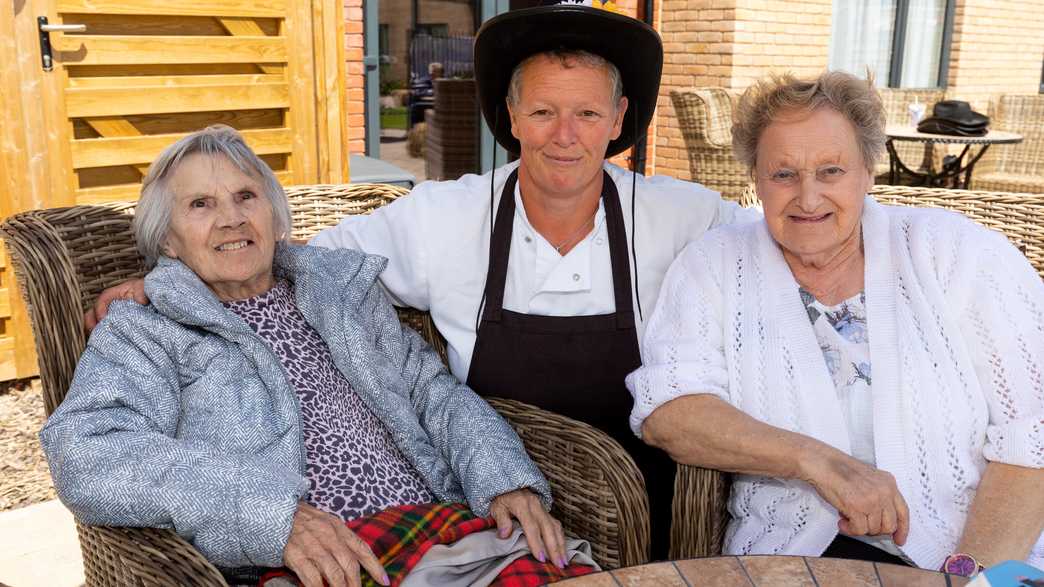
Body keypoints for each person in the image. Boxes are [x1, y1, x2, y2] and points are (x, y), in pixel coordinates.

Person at [84, 2, 759, 557]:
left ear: (617, 122)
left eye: (587, 114)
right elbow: (298, 255)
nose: (565, 135)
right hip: (480, 479)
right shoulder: (445, 217)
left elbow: (774, 248)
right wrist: (166, 280)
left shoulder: (682, 214)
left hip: (639, 484)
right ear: (512, 118)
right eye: (544, 111)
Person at [44, 126, 599, 587]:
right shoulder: (145, 330)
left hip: (441, 533)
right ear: (166, 240)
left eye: (246, 196)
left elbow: (434, 393)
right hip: (308, 563)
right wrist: (270, 517)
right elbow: (87, 452)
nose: (232, 219)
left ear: (274, 216)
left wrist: (504, 479)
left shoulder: (341, 294)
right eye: (200, 205)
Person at [626, 71, 1044, 575]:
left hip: (979, 551)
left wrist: (970, 575)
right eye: (783, 174)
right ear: (754, 178)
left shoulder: (957, 253)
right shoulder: (713, 265)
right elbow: (669, 409)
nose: (808, 198)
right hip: (791, 556)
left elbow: (1032, 433)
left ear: (869, 171)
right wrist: (818, 461)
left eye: (831, 171)